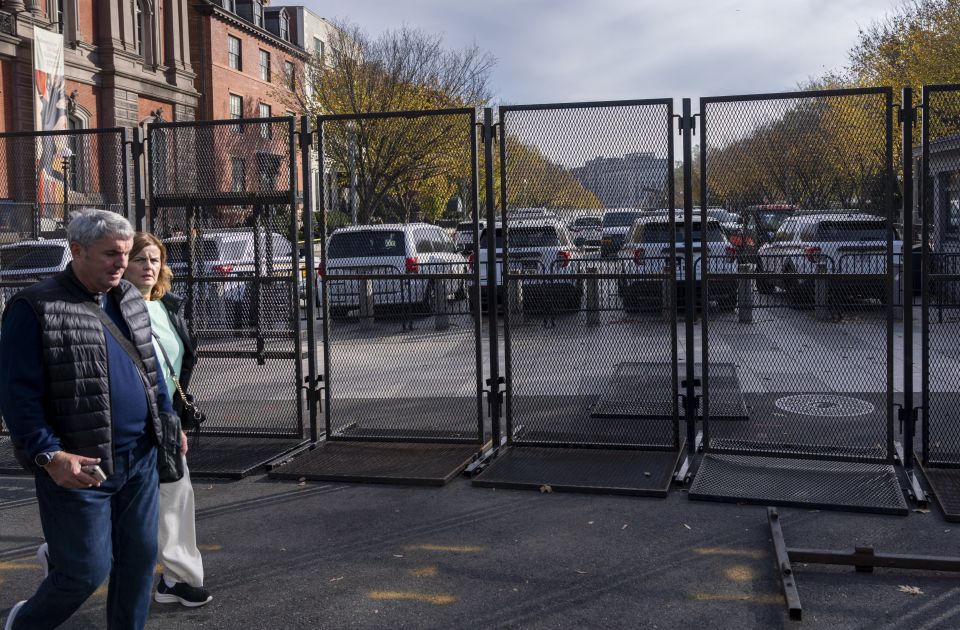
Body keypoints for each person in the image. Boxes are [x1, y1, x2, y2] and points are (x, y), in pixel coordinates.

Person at [0, 209, 175, 630]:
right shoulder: (34, 307)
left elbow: (150, 369)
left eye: (126, 253)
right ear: (76, 251)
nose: (122, 263)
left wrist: (168, 420)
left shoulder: (129, 297)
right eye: (112, 254)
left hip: (141, 458)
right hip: (79, 466)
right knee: (84, 572)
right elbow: (17, 395)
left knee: (137, 564)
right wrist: (50, 455)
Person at [124, 232, 212, 608]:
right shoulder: (114, 309)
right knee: (118, 503)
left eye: (155, 260)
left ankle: (177, 579)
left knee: (176, 494)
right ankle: (64, 557)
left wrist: (172, 418)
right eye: (140, 259)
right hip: (128, 421)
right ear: (124, 265)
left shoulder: (166, 306)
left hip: (164, 420)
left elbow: (176, 365)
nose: (148, 267)